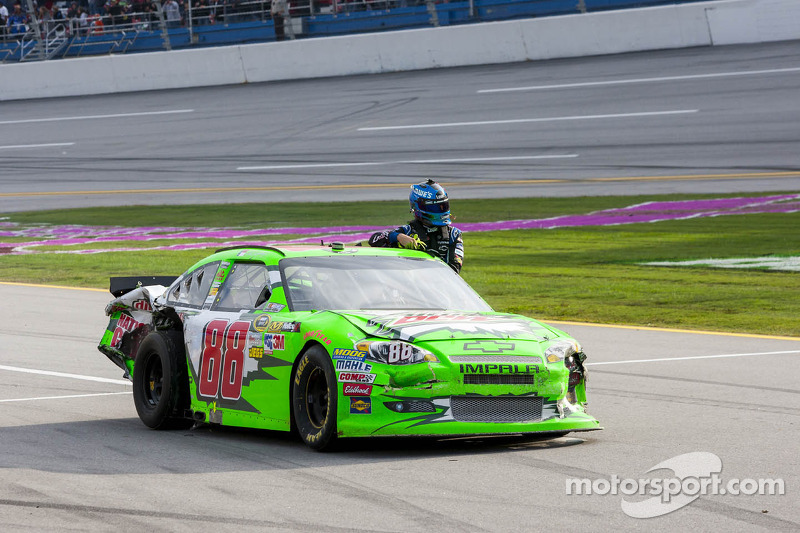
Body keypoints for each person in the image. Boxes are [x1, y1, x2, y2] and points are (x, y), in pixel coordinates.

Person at [367, 179, 464, 274]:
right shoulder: (407, 231)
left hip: (438, 286)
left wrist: (425, 255)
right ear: (418, 207)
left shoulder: (454, 234)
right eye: (434, 207)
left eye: (443, 206)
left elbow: (454, 269)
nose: (440, 210)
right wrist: (398, 237)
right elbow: (374, 240)